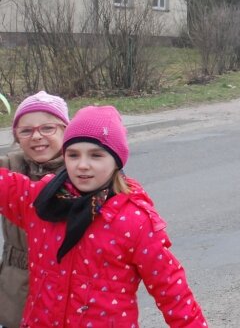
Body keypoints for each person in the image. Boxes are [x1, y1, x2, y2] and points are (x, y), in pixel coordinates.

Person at [0, 105, 207, 327]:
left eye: (96, 155)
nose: (82, 165)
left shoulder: (134, 220)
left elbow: (171, 290)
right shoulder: (42, 200)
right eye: (73, 154)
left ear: (116, 161)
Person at [0, 92, 69, 328]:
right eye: (26, 131)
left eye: (48, 128)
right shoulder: (9, 168)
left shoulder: (83, 170)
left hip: (66, 287)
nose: (37, 136)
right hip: (16, 287)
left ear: (65, 130)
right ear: (17, 138)